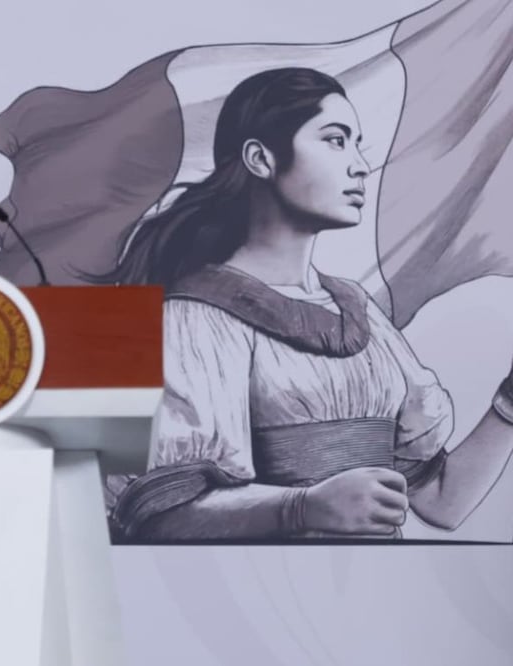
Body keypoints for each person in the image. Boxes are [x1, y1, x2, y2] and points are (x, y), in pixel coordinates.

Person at [100, 67, 513, 543]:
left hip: (375, 583)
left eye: (357, 144)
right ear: (261, 159)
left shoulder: (361, 314)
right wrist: (302, 507)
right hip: (262, 585)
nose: (360, 165)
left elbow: (442, 502)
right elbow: (159, 516)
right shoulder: (194, 318)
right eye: (336, 140)